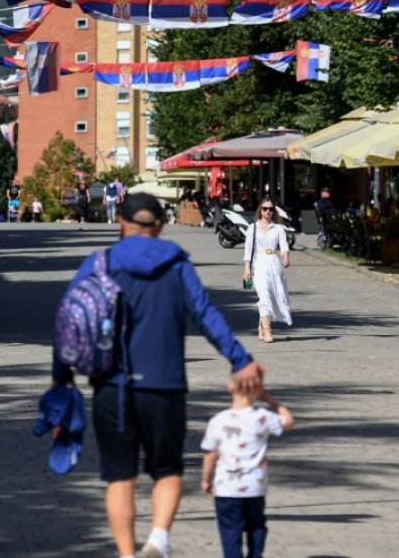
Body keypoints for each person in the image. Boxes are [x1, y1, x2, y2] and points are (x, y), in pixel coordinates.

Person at [53, 193, 264, 558]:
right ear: (161, 226)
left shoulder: (99, 263)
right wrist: (239, 359)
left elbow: (67, 321)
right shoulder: (176, 264)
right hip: (164, 387)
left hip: (112, 388)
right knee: (167, 470)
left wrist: (62, 377)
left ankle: (127, 554)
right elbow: (205, 314)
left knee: (119, 477)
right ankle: (159, 540)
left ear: (121, 222)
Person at [201, 382, 294, 558]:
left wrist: (206, 479)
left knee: (230, 530)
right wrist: (270, 399)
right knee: (256, 525)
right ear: (257, 390)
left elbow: (211, 454)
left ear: (230, 387)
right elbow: (288, 422)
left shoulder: (218, 420)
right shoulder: (263, 417)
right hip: (254, 486)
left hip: (226, 487)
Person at [243, 198, 292, 344]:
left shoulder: (278, 228)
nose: (268, 211)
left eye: (271, 209)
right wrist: (247, 269)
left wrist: (285, 256)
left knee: (272, 295)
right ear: (260, 210)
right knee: (264, 295)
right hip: (259, 264)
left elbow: (284, 245)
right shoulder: (253, 228)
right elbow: (248, 250)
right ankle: (268, 330)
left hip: (273, 263)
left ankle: (261, 324)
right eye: (265, 208)